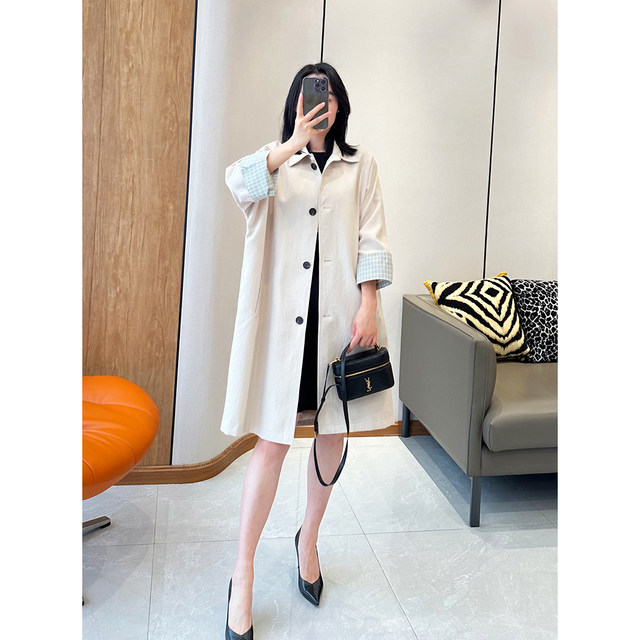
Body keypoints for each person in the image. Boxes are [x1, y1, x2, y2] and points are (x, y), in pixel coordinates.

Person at [223, 62, 394, 639]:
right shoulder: (276, 162)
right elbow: (236, 184)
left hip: (339, 321)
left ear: (340, 105)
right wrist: (292, 143)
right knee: (272, 443)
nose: (321, 104)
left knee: (331, 435)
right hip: (285, 328)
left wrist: (369, 303)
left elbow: (373, 236)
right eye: (310, 95)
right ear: (296, 104)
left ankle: (309, 540)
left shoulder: (361, 165)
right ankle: (243, 571)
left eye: (329, 96)